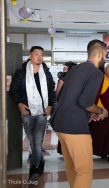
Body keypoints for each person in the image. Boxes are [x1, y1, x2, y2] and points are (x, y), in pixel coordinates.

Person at [51, 40, 108, 188]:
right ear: (100, 54)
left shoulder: (75, 69)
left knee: (72, 168)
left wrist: (89, 113)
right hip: (75, 128)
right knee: (84, 171)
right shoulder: (96, 73)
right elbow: (86, 102)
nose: (106, 58)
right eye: (106, 55)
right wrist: (101, 111)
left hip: (60, 124)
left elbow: (61, 95)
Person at [9, 46, 56, 181]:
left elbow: (52, 90)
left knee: (37, 141)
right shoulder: (21, 73)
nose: (39, 57)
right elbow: (14, 90)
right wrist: (20, 103)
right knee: (32, 141)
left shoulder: (46, 73)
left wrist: (50, 106)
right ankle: (40, 161)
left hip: (42, 112)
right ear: (30, 56)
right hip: (27, 112)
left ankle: (34, 170)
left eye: (41, 54)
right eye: (36, 54)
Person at [55, 61, 77, 155]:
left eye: (65, 68)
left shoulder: (63, 80)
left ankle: (68, 151)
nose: (63, 70)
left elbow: (57, 95)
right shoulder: (63, 80)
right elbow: (57, 96)